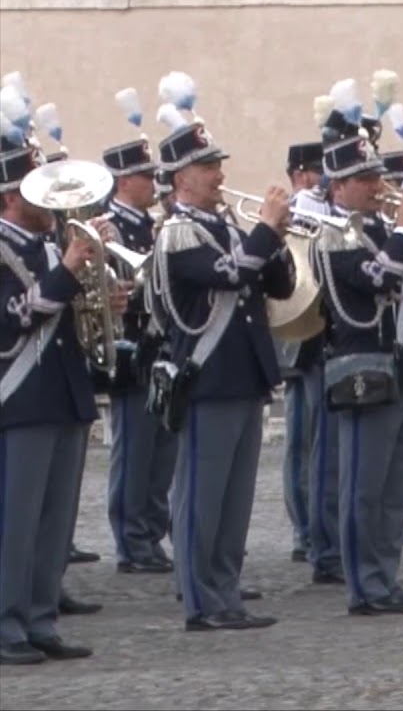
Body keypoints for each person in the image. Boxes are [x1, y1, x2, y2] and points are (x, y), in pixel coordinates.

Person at [152, 106, 295, 631]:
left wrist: (276, 238)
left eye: (216, 163)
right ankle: (200, 600)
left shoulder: (229, 226)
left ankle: (225, 591)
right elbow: (231, 274)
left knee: (234, 500)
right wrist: (265, 231)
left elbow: (275, 287)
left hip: (244, 375)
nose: (219, 174)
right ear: (181, 178)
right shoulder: (178, 232)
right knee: (202, 498)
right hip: (208, 377)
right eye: (207, 166)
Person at [310, 132, 403, 615]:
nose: (375, 186)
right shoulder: (333, 234)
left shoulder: (386, 229)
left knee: (394, 488)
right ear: (337, 188)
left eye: (376, 177)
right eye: (363, 179)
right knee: (364, 487)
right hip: (367, 369)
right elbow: (379, 278)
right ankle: (363, 586)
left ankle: (386, 578)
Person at [1, 140, 118, 664]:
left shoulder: (52, 244)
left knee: (54, 523)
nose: (50, 198)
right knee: (16, 523)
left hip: (66, 391)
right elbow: (21, 315)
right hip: (21, 398)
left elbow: (71, 306)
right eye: (35, 188)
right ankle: (6, 626)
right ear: (8, 195)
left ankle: (42, 618)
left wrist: (104, 291)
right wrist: (71, 267)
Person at [101, 128, 179, 572]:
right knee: (134, 451)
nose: (154, 182)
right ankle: (132, 541)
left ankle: (151, 531)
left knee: (161, 449)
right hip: (132, 347)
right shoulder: (108, 227)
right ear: (124, 180)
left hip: (160, 345)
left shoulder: (151, 224)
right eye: (145, 175)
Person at [278, 141, 324, 565]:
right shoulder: (296, 212)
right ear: (298, 174)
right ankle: (303, 529)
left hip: (324, 336)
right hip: (299, 342)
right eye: (315, 171)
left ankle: (321, 525)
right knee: (302, 443)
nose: (320, 179)